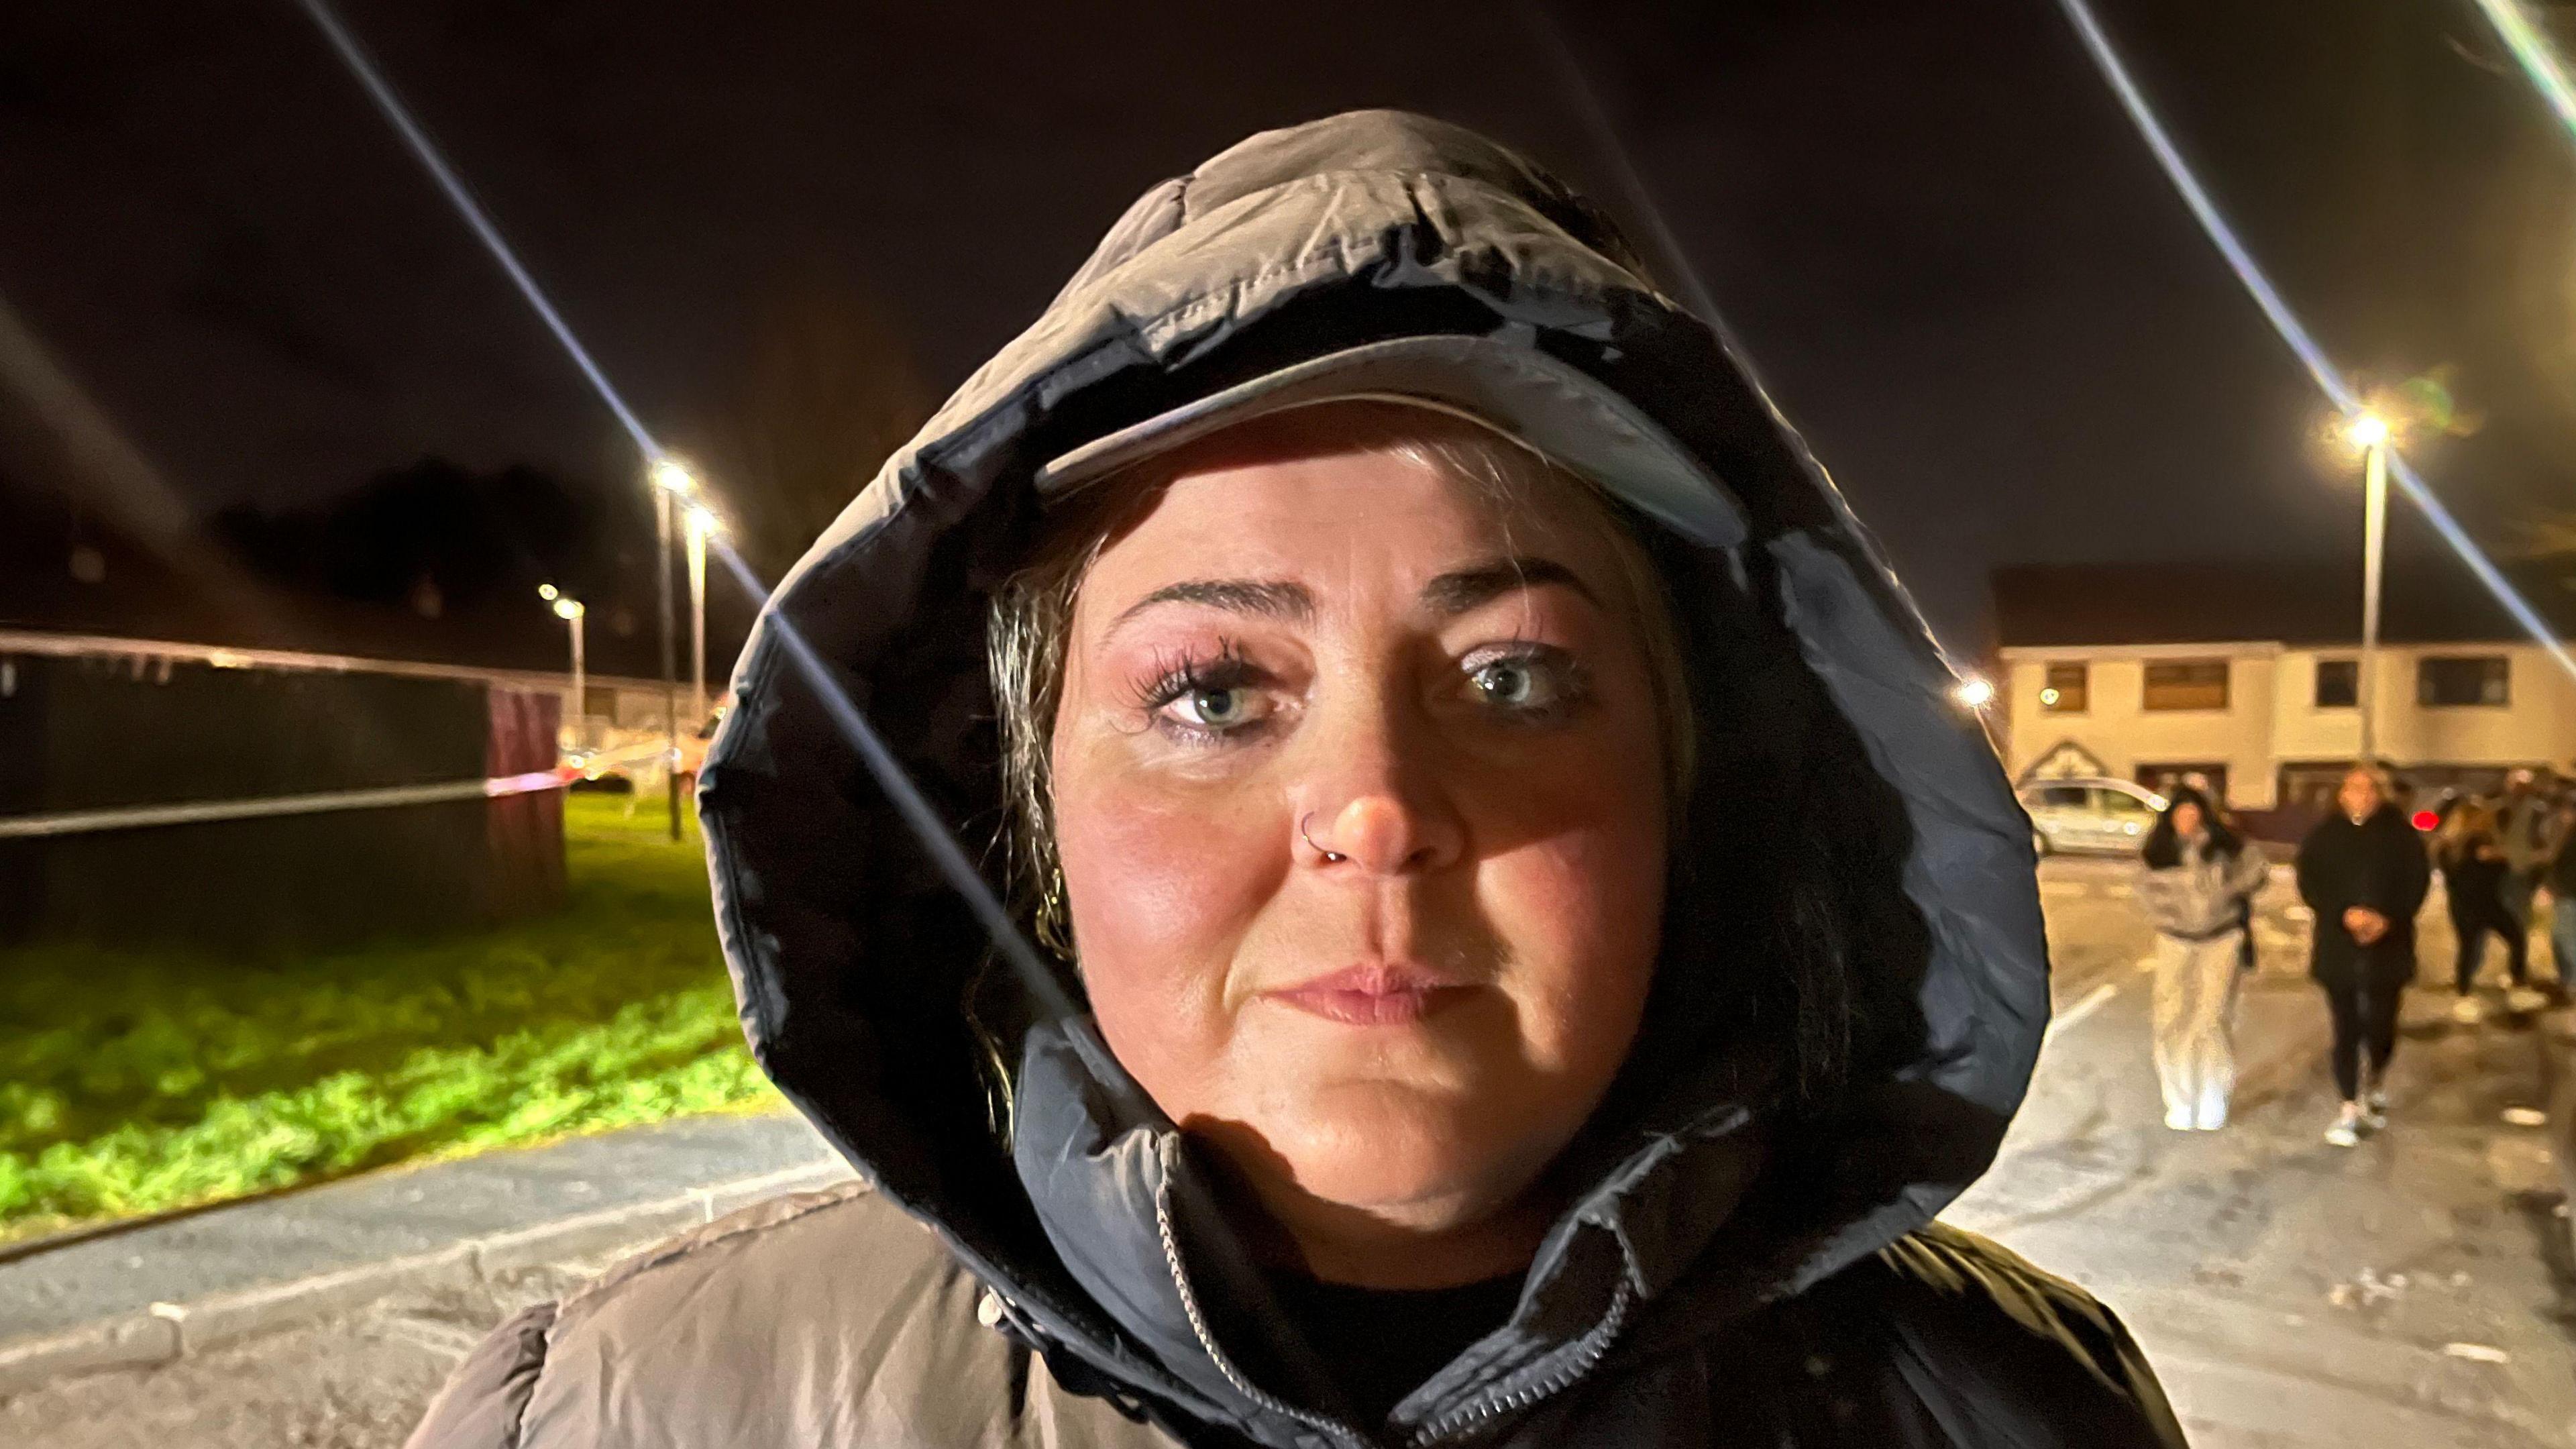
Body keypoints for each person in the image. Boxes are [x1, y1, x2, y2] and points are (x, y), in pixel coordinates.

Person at [408, 111, 2180, 1448]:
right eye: (1213, 692)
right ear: (1023, 811)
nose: (1380, 806)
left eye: (1515, 676)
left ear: (1701, 787)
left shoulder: (2034, 1418)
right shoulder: (619, 1415)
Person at [2296, 767, 2432, 1147]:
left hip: (2390, 943)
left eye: (2370, 788)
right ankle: (2349, 1104)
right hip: (2338, 945)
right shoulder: (2324, 837)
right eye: (2354, 788)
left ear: (2381, 795)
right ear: (2341, 794)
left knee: (2382, 1023)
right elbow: (2311, 882)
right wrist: (2343, 913)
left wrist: (2386, 916)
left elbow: (2416, 883)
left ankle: (2375, 1077)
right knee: (2345, 1026)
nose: (2362, 795)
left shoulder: (2401, 836)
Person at [2136, 786, 2267, 1131]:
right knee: (2170, 1020)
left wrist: (2226, 893)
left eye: (2195, 812)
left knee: (2212, 1020)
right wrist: (2169, 915)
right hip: (2174, 941)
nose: (2188, 820)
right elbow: (2145, 892)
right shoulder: (2157, 851)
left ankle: (2212, 1100)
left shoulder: (2224, 845)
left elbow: (2257, 871)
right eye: (2182, 812)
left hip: (2220, 939)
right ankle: (2178, 1102)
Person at [2436, 800, 2535, 1021]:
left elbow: (2499, 868)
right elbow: (2461, 875)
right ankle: (2464, 994)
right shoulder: (2458, 846)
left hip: (2486, 903)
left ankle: (2515, 982)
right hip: (2469, 904)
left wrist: (2497, 859)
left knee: (2514, 937)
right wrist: (2489, 860)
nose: (2486, 822)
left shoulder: (2466, 845)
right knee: (2470, 948)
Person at [2546, 790, 2576, 989]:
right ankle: (2566, 979)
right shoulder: (2568, 833)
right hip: (2564, 892)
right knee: (2561, 937)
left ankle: (2571, 981)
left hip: (2570, 892)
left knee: (2565, 937)